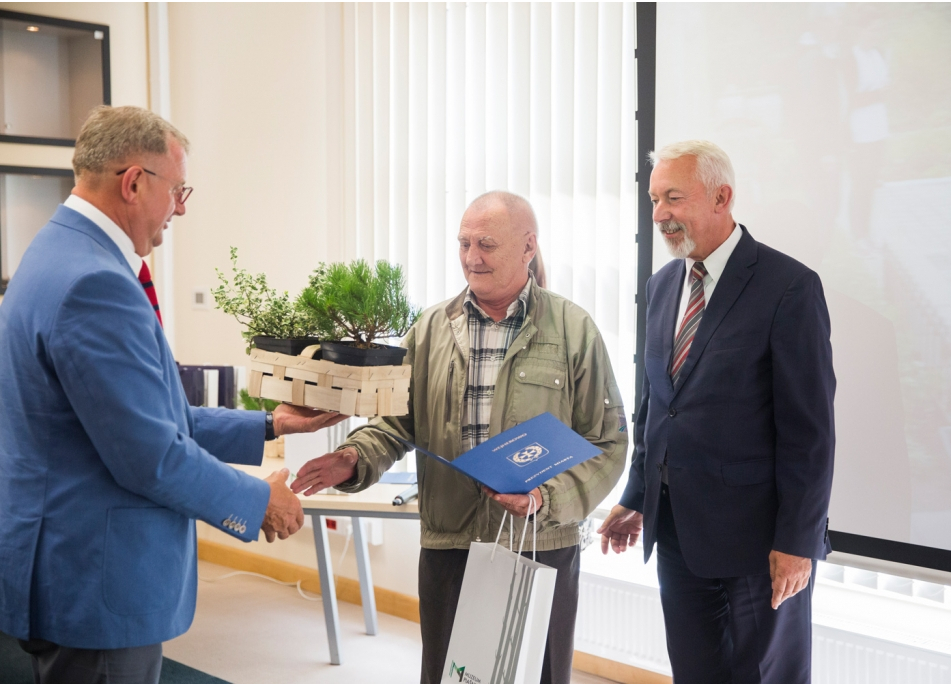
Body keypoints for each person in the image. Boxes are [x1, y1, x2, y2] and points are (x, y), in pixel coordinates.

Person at [0, 105, 345, 684]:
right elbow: (149, 455)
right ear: (134, 182)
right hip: (94, 582)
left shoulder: (54, 251)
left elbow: (148, 417)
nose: (181, 207)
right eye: (178, 189)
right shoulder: (96, 283)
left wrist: (269, 425)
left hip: (63, 562)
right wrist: (259, 501)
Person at [291, 190, 628, 684]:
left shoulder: (573, 329)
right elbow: (398, 421)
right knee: (452, 676)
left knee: (538, 674)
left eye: (487, 244)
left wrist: (544, 497)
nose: (472, 257)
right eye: (464, 243)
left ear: (528, 247)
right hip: (450, 542)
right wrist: (353, 457)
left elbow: (608, 442)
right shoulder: (430, 328)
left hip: (540, 544)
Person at [598, 141, 835, 683]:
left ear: (722, 197)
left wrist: (797, 544)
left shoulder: (789, 288)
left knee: (763, 676)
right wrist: (637, 496)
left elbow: (811, 434)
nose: (659, 214)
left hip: (759, 545)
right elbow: (658, 406)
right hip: (678, 532)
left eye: (673, 198)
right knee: (696, 674)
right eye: (655, 199)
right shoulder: (663, 285)